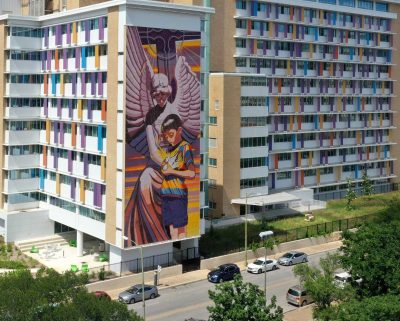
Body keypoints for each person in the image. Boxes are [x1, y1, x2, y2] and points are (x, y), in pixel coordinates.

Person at [148, 114, 195, 240]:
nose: (168, 139)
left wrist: (172, 171)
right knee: (171, 230)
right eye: (166, 136)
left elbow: (192, 173)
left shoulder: (184, 148)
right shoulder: (168, 150)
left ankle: (183, 252)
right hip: (166, 195)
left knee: (180, 229)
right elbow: (156, 156)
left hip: (178, 195)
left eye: (171, 134)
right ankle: (173, 250)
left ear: (179, 130)